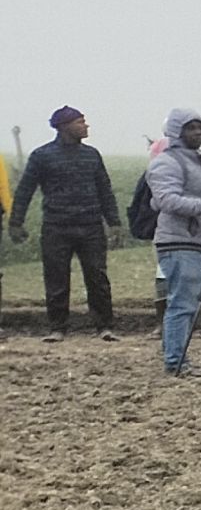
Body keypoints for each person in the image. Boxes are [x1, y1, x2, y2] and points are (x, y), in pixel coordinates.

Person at [16, 106, 123, 338]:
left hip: (91, 226)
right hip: (56, 227)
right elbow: (25, 191)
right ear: (64, 126)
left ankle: (104, 326)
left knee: (97, 278)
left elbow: (105, 190)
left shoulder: (92, 155)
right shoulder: (42, 156)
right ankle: (57, 328)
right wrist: (16, 222)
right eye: (80, 122)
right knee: (56, 278)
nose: (86, 126)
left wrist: (114, 223)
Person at [146, 108, 201, 373]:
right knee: (181, 304)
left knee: (188, 304)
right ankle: (175, 361)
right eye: (191, 128)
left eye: (200, 128)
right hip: (180, 241)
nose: (198, 133)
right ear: (176, 131)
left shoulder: (200, 163)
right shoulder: (166, 163)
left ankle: (177, 358)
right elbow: (168, 200)